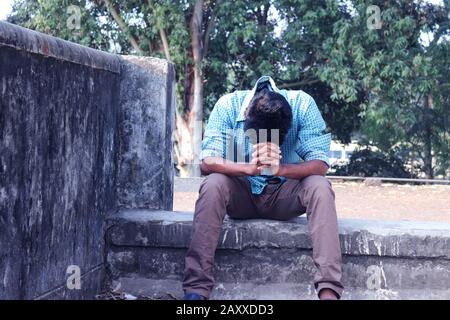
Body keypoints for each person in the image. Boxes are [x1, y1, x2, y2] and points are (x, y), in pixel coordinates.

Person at [182, 76, 343, 300]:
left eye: (277, 139)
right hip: (243, 193)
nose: (269, 142)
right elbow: (207, 161)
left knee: (320, 186)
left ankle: (329, 292)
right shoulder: (229, 105)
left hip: (284, 194)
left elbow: (320, 164)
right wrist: (248, 169)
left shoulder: (303, 105)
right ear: (247, 119)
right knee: (213, 183)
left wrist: (280, 169)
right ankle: (196, 290)